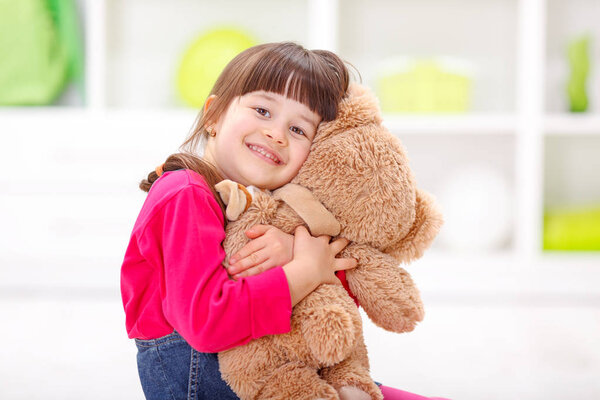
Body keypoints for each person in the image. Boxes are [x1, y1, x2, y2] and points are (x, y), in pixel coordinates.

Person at [121, 42, 448, 400]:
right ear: (213, 115)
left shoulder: (273, 211)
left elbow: (331, 305)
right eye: (262, 110)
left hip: (289, 377)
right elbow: (206, 323)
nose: (277, 134)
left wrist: (298, 252)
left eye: (298, 130)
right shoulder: (184, 192)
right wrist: (304, 269)